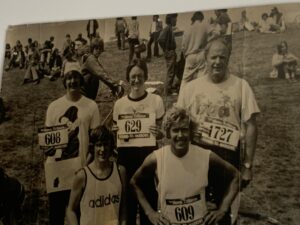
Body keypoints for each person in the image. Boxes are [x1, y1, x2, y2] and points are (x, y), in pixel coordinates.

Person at [177, 38, 260, 224]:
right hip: (197, 156)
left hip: (228, 157)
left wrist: (247, 166)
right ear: (205, 58)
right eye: (213, 57)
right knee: (195, 211)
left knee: (223, 214)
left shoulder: (241, 86)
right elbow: (177, 123)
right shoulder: (191, 88)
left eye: (222, 57)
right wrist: (190, 133)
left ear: (228, 58)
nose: (218, 62)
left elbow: (252, 125)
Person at [131, 106, 240, 225]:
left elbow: (236, 176)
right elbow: (134, 182)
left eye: (184, 129)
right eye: (175, 130)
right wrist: (150, 213)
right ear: (168, 132)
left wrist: (222, 210)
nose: (180, 135)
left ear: (191, 131)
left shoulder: (205, 156)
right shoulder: (156, 158)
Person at [45, 66, 100, 225]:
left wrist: (87, 165)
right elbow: (48, 141)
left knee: (78, 213)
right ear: (64, 81)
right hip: (57, 168)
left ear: (81, 80)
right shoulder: (54, 107)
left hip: (80, 167)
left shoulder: (91, 106)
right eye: (69, 77)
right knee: (56, 213)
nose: (72, 81)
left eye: (76, 77)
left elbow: (95, 140)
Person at [113, 59, 165, 225]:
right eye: (133, 76)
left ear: (146, 77)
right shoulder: (119, 104)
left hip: (147, 157)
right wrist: (116, 132)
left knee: (148, 204)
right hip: (127, 157)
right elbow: (118, 135)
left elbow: (161, 131)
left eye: (140, 76)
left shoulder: (156, 101)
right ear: (128, 79)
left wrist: (159, 133)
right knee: (128, 204)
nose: (136, 80)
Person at [67, 125, 127, 225]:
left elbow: (123, 208)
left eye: (106, 144)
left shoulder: (120, 171)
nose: (102, 149)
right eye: (98, 145)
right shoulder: (83, 176)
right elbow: (71, 210)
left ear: (111, 146)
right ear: (92, 147)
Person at [180, 11, 217, 92]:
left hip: (189, 56)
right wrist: (208, 41)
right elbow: (216, 33)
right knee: (202, 78)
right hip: (200, 54)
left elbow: (183, 46)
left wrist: (185, 55)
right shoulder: (204, 25)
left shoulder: (187, 28)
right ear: (201, 18)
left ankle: (181, 100)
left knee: (185, 80)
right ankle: (201, 96)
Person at [158, 13, 179, 95]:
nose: (176, 20)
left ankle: (169, 88)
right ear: (171, 19)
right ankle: (167, 91)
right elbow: (160, 39)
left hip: (171, 52)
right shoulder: (167, 28)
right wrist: (166, 49)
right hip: (170, 52)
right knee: (170, 72)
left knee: (172, 71)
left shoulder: (170, 28)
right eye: (175, 18)